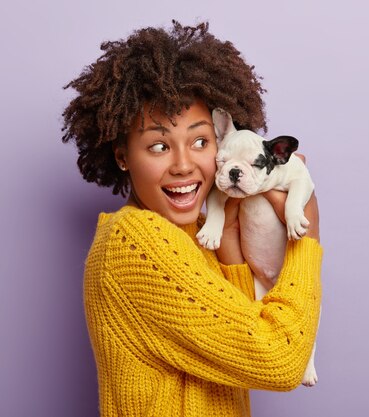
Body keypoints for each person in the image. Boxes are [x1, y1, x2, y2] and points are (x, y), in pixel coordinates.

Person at [62, 21, 322, 417]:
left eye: (201, 141)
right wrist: (306, 239)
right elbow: (278, 360)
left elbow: (238, 348)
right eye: (159, 145)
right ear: (122, 155)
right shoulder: (135, 240)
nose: (184, 165)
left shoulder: (198, 233)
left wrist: (232, 247)